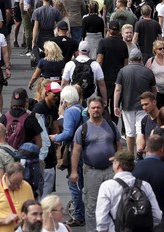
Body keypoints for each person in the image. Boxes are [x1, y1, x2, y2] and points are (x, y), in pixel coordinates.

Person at [70, 96, 119, 230]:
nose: (96, 110)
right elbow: (76, 151)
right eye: (93, 108)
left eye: (98, 107)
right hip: (91, 172)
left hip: (110, 170)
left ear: (103, 109)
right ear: (88, 110)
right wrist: (74, 172)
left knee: (113, 203)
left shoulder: (111, 125)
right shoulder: (83, 129)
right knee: (92, 205)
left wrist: (121, 167)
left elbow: (118, 146)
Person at [133, 134, 164, 232]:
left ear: (146, 148)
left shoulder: (135, 168)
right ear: (162, 149)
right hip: (162, 217)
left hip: (139, 216)